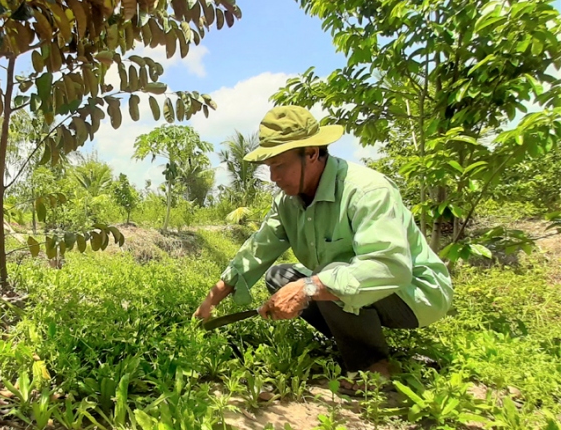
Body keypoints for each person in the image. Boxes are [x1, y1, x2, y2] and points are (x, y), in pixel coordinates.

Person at [194, 105, 453, 390]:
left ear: (312, 153)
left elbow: (390, 267)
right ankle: (352, 336)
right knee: (280, 277)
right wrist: (213, 298)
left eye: (280, 165)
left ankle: (372, 366)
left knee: (324, 278)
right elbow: (258, 249)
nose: (273, 178)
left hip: (412, 295)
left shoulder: (366, 190)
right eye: (270, 168)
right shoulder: (288, 202)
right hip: (357, 283)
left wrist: (309, 287)